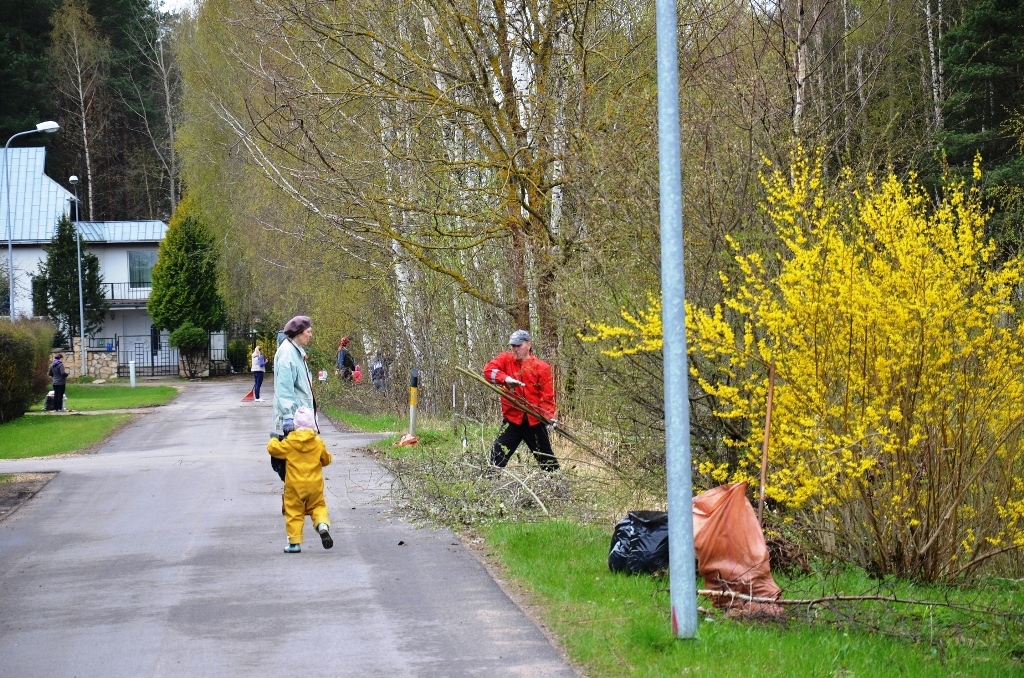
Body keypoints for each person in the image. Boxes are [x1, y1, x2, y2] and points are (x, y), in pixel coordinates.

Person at [483, 330, 559, 471]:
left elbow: (547, 397)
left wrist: (549, 417)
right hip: (512, 421)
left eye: (518, 345)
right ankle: (486, 488)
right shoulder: (505, 359)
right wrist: (505, 379)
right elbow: (487, 372)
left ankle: (559, 490)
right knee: (496, 459)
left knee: (548, 463)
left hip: (534, 422)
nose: (515, 349)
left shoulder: (542, 367)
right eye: (513, 346)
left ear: (529, 345)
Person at [267, 406, 333, 553]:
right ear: (312, 424)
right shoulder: (317, 442)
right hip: (314, 485)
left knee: (294, 511)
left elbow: (273, 449)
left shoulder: (290, 443)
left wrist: (273, 440)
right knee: (318, 506)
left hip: (294, 485)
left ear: (295, 425)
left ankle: (294, 543)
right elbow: (326, 459)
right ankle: (322, 525)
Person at [272, 315, 317, 481]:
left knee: (302, 470)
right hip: (295, 421)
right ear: (298, 333)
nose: (311, 335)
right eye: (308, 332)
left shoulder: (296, 350)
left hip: (301, 418)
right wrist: (288, 416)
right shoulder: (287, 354)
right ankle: (294, 505)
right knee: (295, 472)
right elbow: (284, 388)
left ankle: (300, 504)